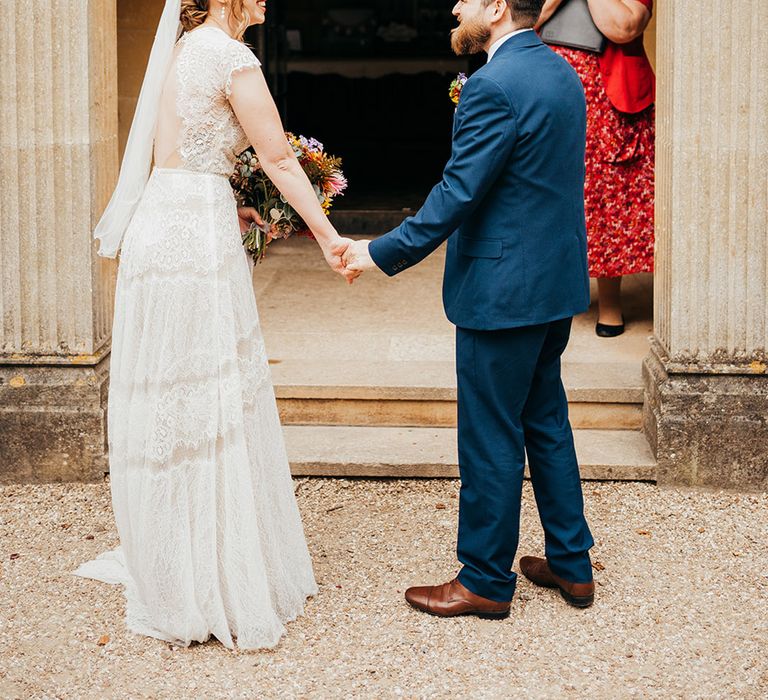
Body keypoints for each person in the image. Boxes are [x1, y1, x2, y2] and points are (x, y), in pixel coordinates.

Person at [75, 0, 357, 649]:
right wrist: (330, 239)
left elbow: (180, 153)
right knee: (209, 398)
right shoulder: (231, 56)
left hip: (161, 220)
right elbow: (281, 161)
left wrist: (235, 206)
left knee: (176, 397)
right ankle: (209, 580)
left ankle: (175, 559)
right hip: (194, 237)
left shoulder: (180, 49)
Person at [345, 0, 595, 618]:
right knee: (545, 421)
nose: (454, 6)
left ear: (498, 8)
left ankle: (484, 578)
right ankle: (572, 562)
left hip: (502, 293)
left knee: (490, 436)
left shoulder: (493, 86)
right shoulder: (563, 72)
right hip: (554, 284)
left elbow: (458, 192)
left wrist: (378, 252)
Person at [537, 0, 656, 337]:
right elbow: (526, 18)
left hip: (609, 97)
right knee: (545, 193)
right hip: (550, 89)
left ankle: (610, 306)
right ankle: (545, 298)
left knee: (609, 197)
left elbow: (624, 28)